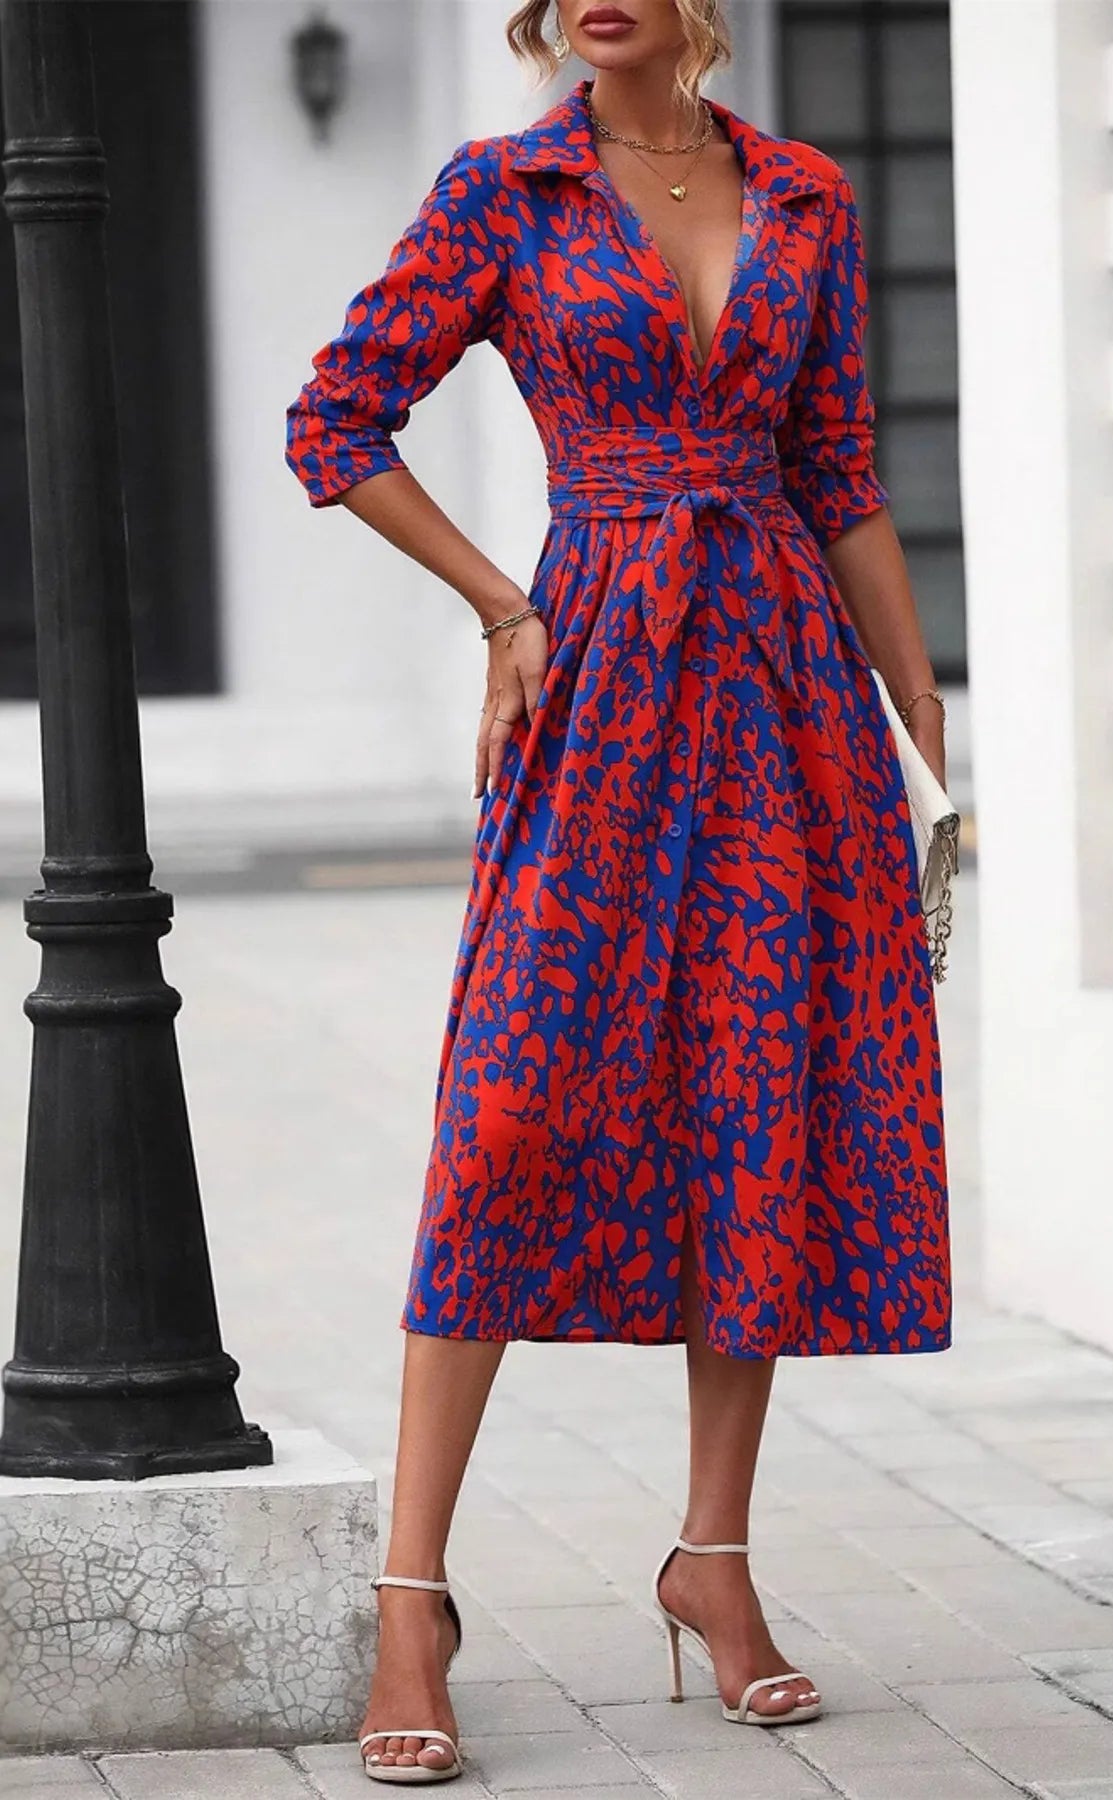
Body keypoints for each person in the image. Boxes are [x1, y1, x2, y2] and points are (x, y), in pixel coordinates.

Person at [285, 0, 952, 1783]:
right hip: (594, 683)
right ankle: (411, 1597)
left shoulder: (804, 194)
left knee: (756, 1116)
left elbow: (839, 481)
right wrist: (505, 607)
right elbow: (334, 421)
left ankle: (711, 1564)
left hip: (787, 705)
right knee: (503, 1119)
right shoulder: (502, 189)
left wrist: (920, 716)